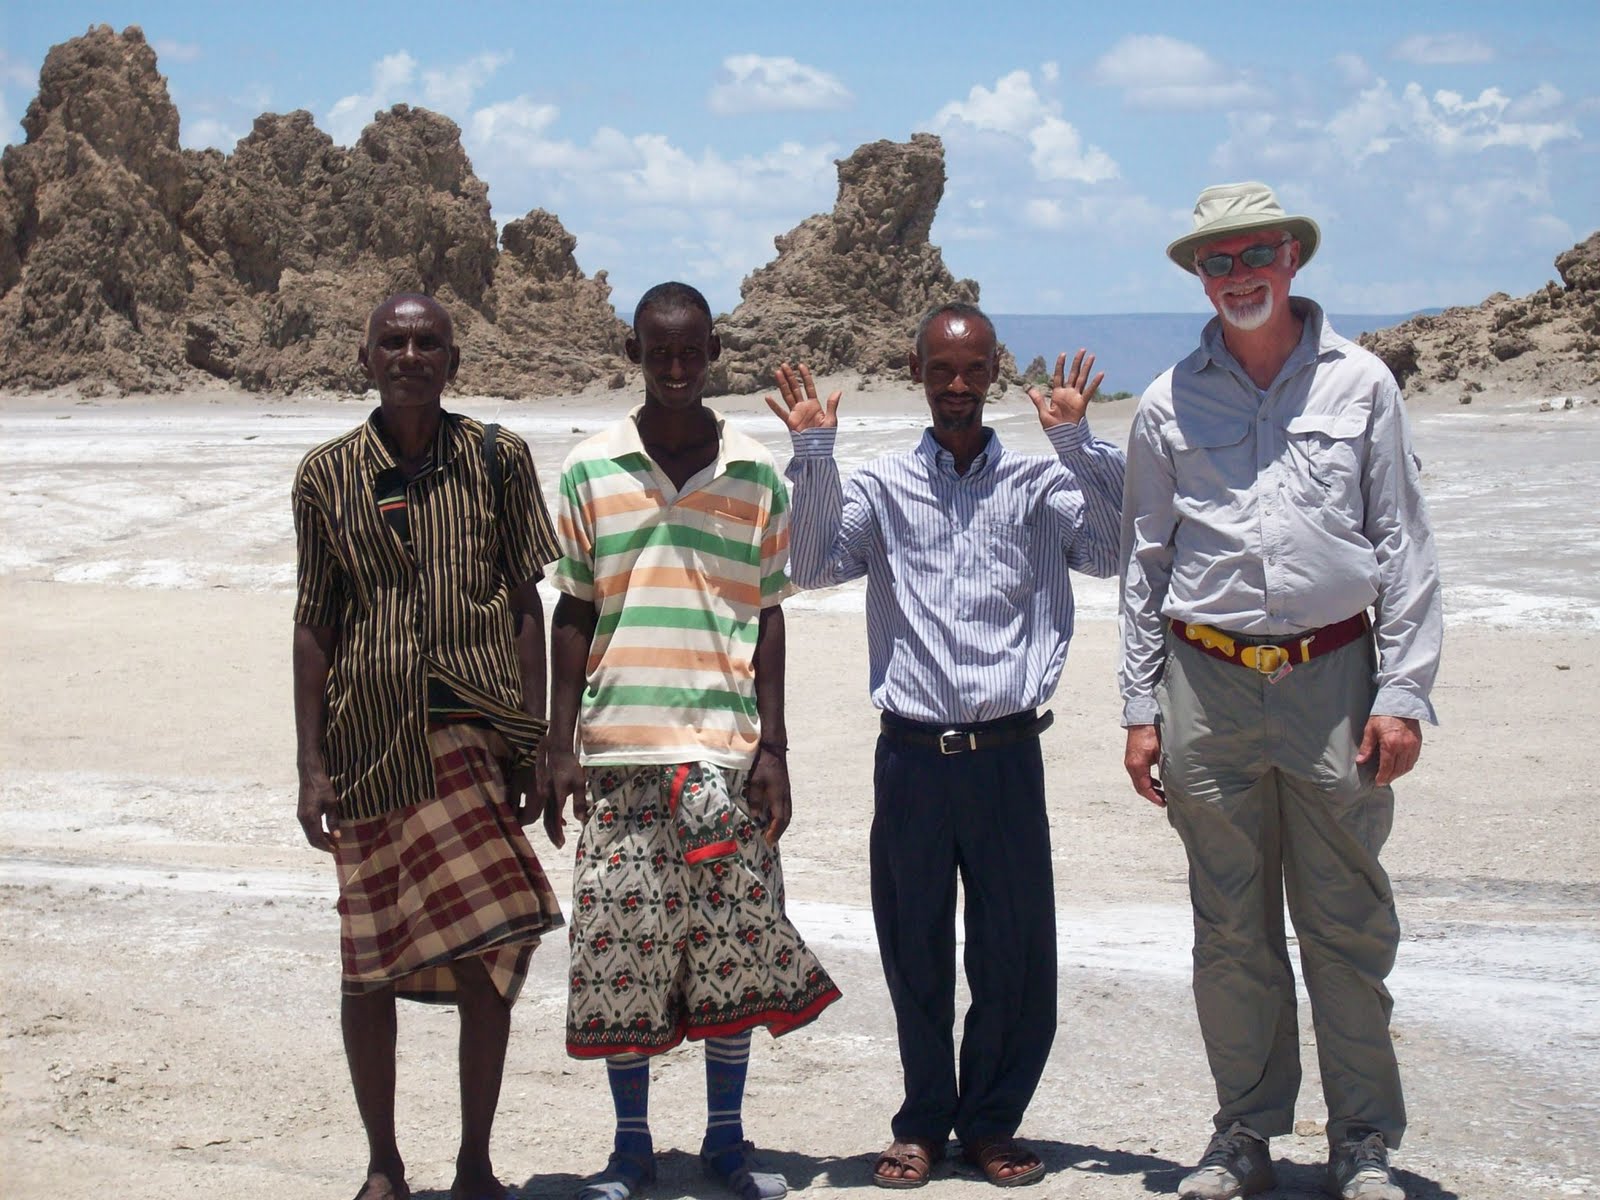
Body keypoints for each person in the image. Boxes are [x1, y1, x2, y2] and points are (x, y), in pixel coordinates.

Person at [1118, 182, 1443, 1200]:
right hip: (1203, 689)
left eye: (1254, 254)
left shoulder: (1362, 385)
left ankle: (1363, 1144)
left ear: (1292, 260)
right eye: (1216, 262)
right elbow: (1143, 561)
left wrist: (1404, 693)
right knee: (1228, 929)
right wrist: (1137, 710)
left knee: (1344, 923)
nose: (1237, 276)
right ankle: (1243, 1133)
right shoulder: (1168, 399)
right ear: (1197, 278)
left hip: (1334, 682)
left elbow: (1404, 546)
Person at [769, 303, 1125, 1189]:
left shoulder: (1041, 488)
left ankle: (993, 1121)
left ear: (996, 373)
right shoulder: (883, 485)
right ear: (919, 372)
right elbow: (810, 567)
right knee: (914, 946)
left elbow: (1117, 547)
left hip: (1008, 753)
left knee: (1013, 949)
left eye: (972, 371)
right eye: (941, 371)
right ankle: (926, 1120)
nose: (957, 387)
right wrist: (814, 455)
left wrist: (1079, 442)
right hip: (911, 756)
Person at [543, 281, 841, 1200]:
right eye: (657, 351)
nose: (675, 368)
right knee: (621, 954)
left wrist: (776, 750)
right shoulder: (589, 467)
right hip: (619, 752)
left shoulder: (756, 473)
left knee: (730, 953)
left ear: (714, 352)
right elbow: (575, 609)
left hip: (723, 753)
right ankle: (631, 1149)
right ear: (633, 351)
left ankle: (726, 1142)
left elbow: (771, 616)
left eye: (691, 351)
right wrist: (558, 746)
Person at [292, 293, 565, 1200]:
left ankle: (475, 1165)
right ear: (365, 355)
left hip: (474, 744)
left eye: (428, 343)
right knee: (367, 960)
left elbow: (528, 604)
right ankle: (383, 1164)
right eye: (394, 342)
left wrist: (532, 742)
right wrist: (310, 764)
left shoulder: (496, 459)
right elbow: (314, 624)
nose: (410, 356)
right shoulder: (325, 475)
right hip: (370, 746)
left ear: (453, 359)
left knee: (487, 953)